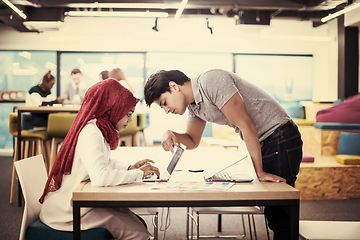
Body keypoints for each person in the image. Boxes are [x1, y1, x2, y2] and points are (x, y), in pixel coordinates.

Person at [144, 69, 303, 240]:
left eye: (164, 103)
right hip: (266, 142)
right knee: (276, 214)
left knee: (280, 215)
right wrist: (170, 133)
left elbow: (246, 125)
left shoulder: (211, 81)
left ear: (174, 86)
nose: (167, 110)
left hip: (280, 138)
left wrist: (260, 173)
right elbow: (192, 140)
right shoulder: (194, 107)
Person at [39, 79, 159, 240]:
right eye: (128, 114)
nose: (130, 120)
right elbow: (100, 177)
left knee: (135, 222)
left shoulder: (99, 128)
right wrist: (139, 174)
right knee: (138, 232)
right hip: (66, 211)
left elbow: (104, 162)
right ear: (113, 108)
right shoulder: (91, 133)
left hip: (77, 201)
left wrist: (130, 168)